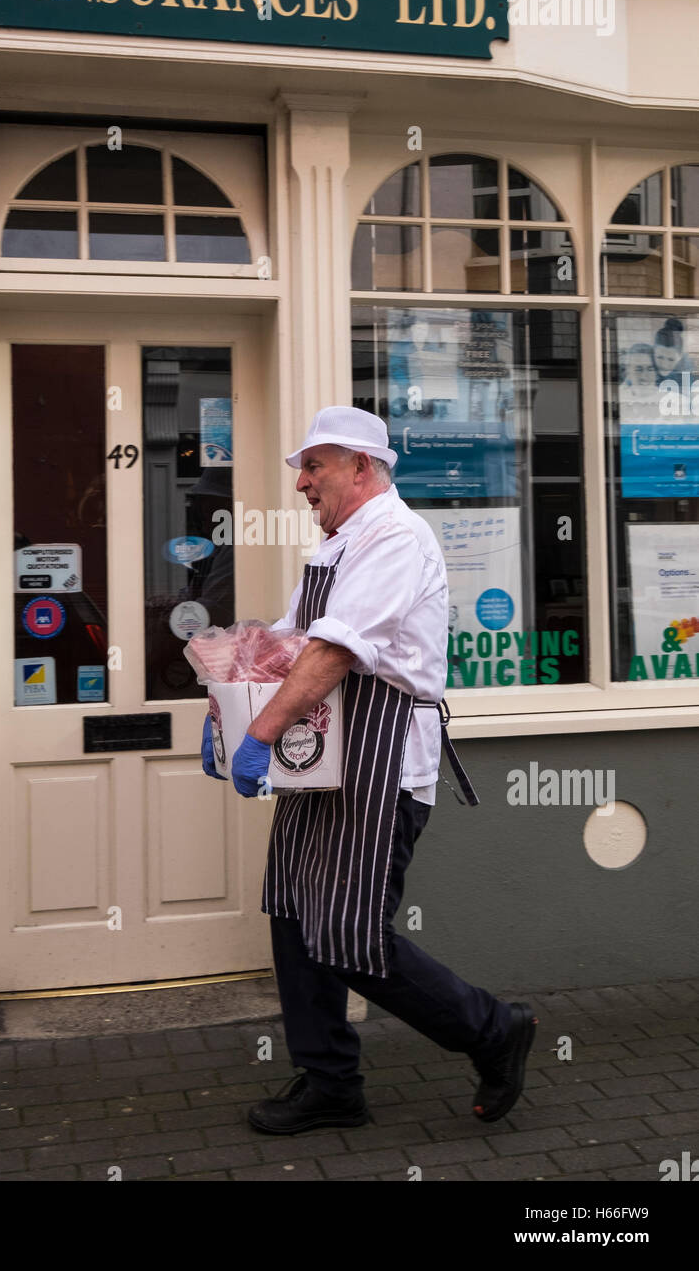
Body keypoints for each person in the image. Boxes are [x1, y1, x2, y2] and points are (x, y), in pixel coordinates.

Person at [200, 406, 537, 1135]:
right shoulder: (338, 545)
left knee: (349, 933)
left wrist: (258, 734)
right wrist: (227, 714)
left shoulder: (395, 538)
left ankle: (493, 1030)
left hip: (380, 766)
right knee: (294, 914)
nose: (301, 483)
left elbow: (332, 654)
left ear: (361, 467)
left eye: (314, 465)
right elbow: (288, 649)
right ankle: (330, 1083)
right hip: (322, 760)